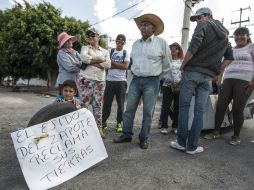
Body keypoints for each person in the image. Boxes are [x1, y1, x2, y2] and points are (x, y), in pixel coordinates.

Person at [170, 7, 234, 154]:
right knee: (199, 110)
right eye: (197, 19)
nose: (197, 21)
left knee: (184, 107)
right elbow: (230, 57)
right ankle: (192, 147)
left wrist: (183, 66)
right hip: (207, 77)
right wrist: (218, 71)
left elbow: (193, 47)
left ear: (208, 16)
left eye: (199, 17)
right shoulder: (225, 37)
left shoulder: (204, 24)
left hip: (192, 72)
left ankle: (181, 143)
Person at [113, 13, 172, 149]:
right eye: (141, 25)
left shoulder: (161, 43)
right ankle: (127, 134)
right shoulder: (135, 44)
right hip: (136, 79)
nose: (142, 27)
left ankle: (144, 137)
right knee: (129, 109)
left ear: (153, 28)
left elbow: (167, 65)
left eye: (146, 25)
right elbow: (133, 64)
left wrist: (157, 78)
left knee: (148, 111)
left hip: (152, 81)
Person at [204, 27, 254, 145]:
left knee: (237, 109)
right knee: (220, 106)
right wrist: (219, 80)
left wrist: (252, 83)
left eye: (242, 35)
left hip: (244, 80)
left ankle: (236, 135)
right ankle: (216, 131)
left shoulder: (251, 47)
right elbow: (223, 66)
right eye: (236, 35)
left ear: (247, 36)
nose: (239, 37)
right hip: (228, 80)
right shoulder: (230, 49)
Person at [78, 28, 111, 139]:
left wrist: (92, 61)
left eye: (93, 35)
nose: (91, 37)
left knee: (98, 106)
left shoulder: (105, 51)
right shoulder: (85, 48)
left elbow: (108, 65)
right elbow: (84, 58)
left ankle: (98, 129)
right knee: (84, 105)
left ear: (98, 37)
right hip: (86, 79)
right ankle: (82, 130)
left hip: (100, 81)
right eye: (89, 36)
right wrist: (100, 60)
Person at [102, 34, 130, 133]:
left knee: (121, 104)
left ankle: (119, 123)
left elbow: (126, 66)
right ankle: (103, 122)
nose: (119, 44)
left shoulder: (126, 53)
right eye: (118, 42)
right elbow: (106, 65)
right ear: (116, 42)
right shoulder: (110, 51)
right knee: (107, 103)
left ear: (124, 43)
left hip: (121, 82)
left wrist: (113, 63)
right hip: (110, 81)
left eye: (122, 43)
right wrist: (118, 65)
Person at [159, 42, 184, 135]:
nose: (173, 50)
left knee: (177, 106)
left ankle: (175, 126)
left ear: (179, 51)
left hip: (178, 86)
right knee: (166, 106)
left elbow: (184, 73)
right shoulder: (166, 61)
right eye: (171, 48)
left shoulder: (182, 61)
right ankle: (164, 126)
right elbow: (162, 72)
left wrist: (179, 82)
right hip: (167, 85)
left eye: (176, 48)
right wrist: (167, 80)